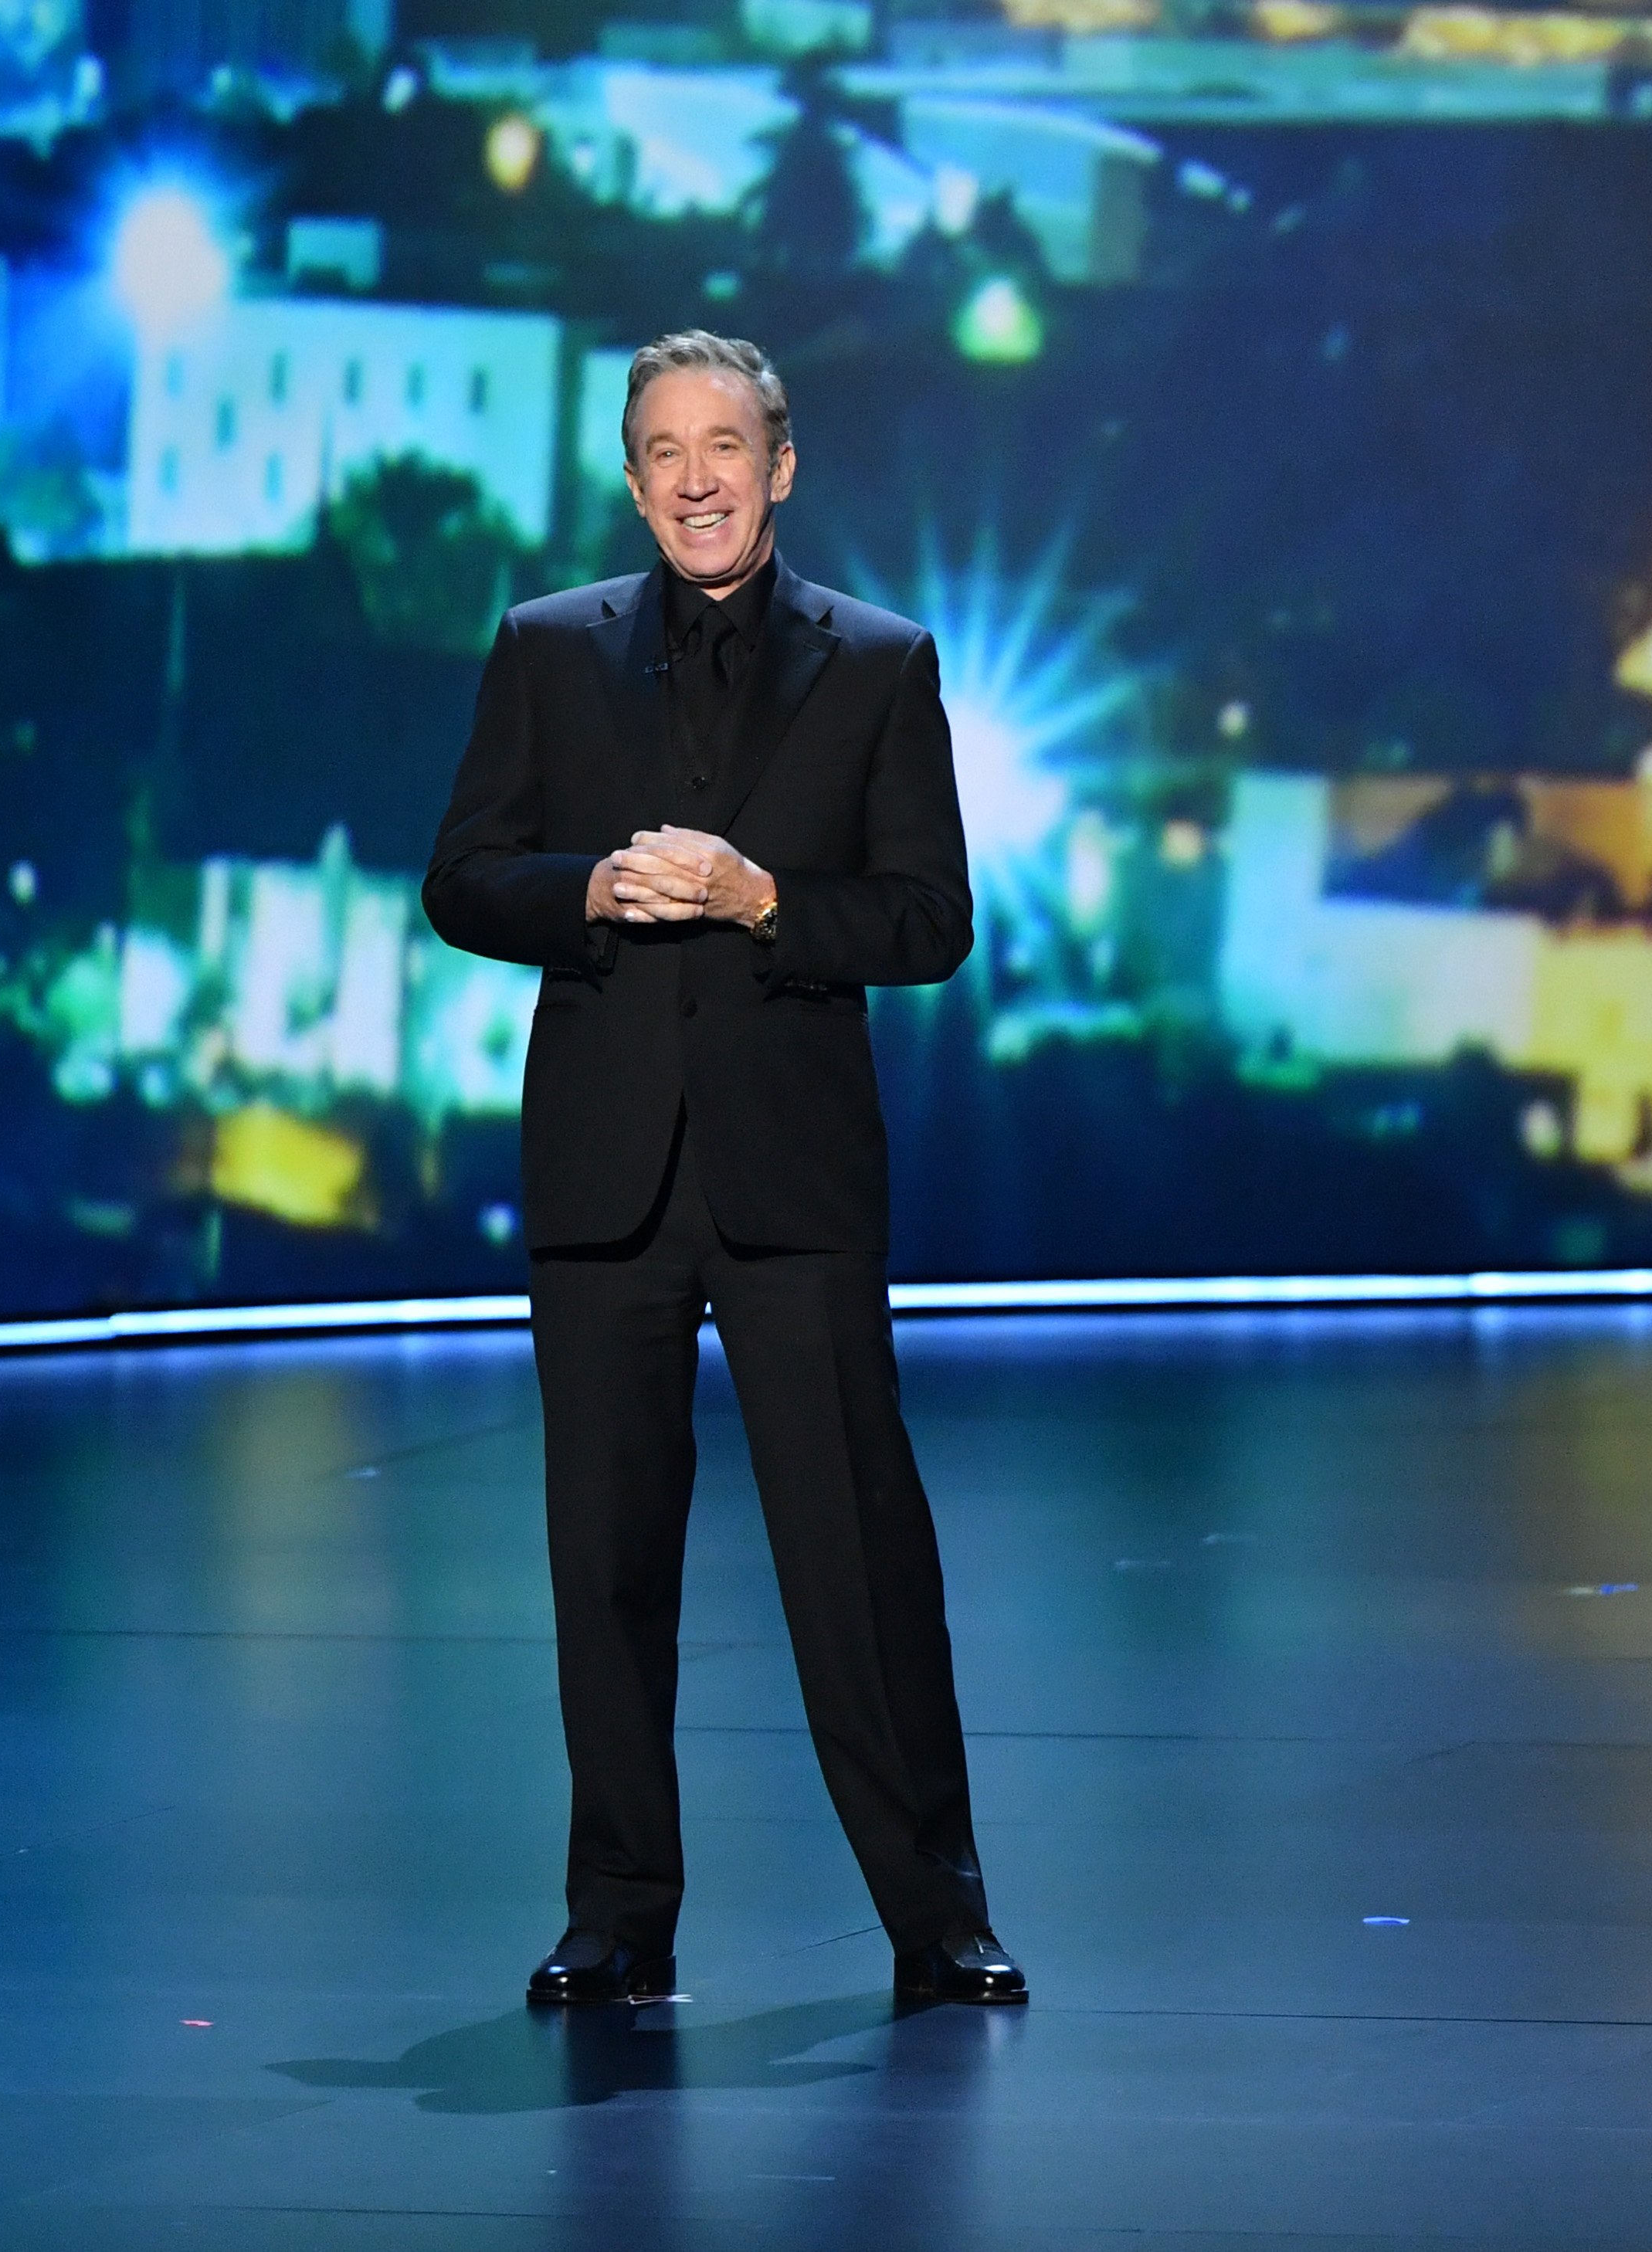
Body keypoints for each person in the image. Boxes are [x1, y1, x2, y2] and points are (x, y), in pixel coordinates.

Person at [422, 331, 1024, 2008]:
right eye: (663, 451)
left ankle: (938, 1913)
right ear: (632, 480)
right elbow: (462, 877)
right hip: (606, 1179)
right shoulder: (548, 652)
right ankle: (618, 1914)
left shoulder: (880, 665)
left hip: (792, 1186)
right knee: (605, 1564)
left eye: (726, 446)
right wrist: (588, 894)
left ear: (781, 465)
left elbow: (928, 922)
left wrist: (767, 902)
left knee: (858, 1559)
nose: (696, 477)